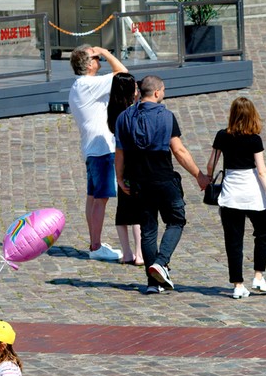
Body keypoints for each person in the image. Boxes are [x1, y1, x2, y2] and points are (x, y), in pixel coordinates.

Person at [114, 75, 209, 294]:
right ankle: (161, 262)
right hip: (163, 178)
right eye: (163, 90)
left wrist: (120, 179)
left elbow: (119, 153)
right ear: (156, 92)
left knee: (148, 230)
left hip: (138, 181)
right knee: (176, 220)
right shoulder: (166, 116)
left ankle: (152, 283)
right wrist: (199, 176)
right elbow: (179, 151)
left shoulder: (123, 118)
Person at [207, 97, 266, 299]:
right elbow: (262, 171)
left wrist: (206, 180)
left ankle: (238, 285)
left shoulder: (222, 136)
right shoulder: (255, 139)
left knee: (233, 241)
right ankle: (258, 275)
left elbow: (211, 165)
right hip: (253, 194)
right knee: (264, 231)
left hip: (230, 195)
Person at [68, 44, 127, 262]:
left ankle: (95, 242)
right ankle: (95, 246)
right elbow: (124, 74)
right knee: (100, 199)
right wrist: (107, 52)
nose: (100, 62)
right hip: (102, 149)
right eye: (97, 59)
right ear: (90, 64)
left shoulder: (77, 86)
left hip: (90, 149)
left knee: (92, 197)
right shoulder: (91, 85)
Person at [106, 72, 143, 266]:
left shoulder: (113, 111)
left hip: (122, 165)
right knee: (137, 210)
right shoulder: (132, 112)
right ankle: (139, 253)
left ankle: (127, 252)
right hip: (133, 163)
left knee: (123, 210)